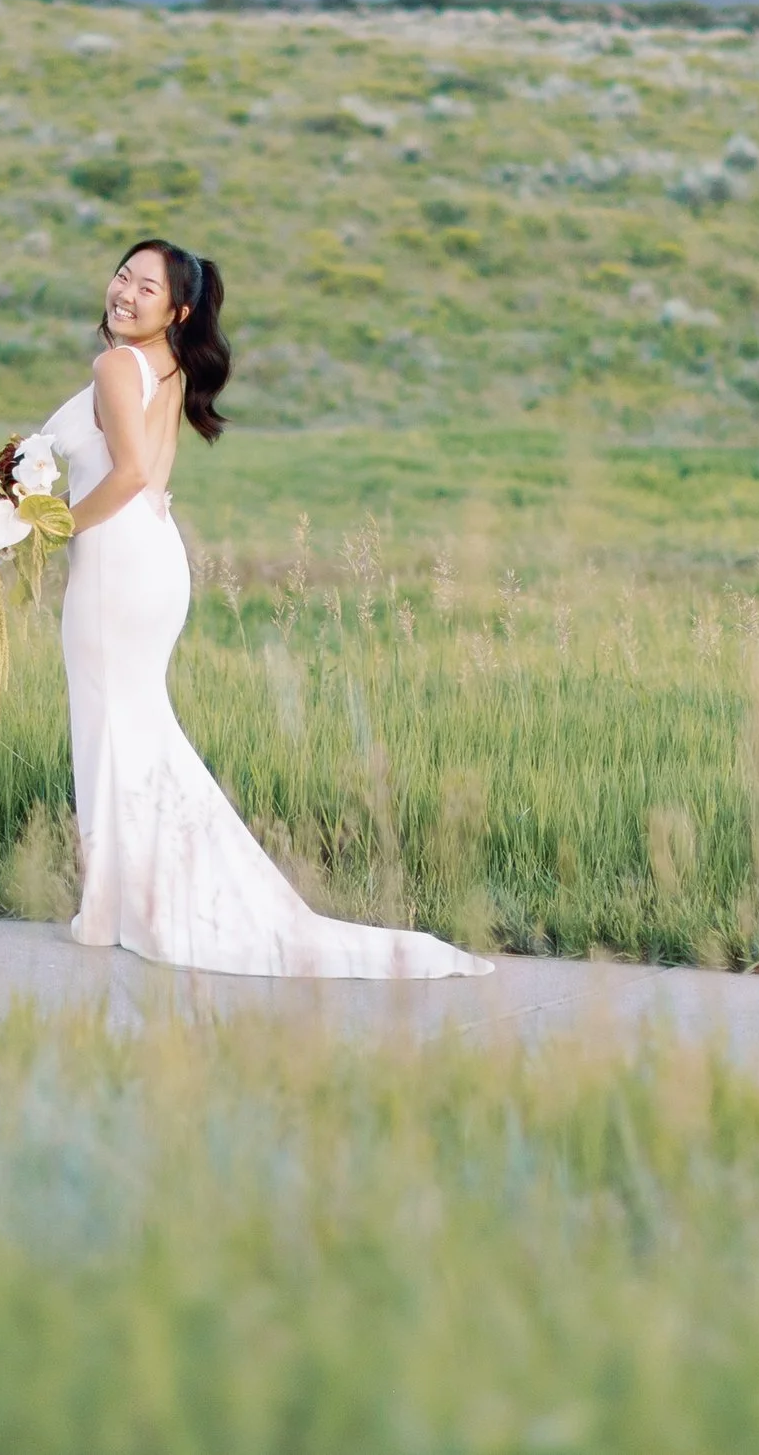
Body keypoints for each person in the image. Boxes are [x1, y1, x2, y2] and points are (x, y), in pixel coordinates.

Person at [38, 239, 493, 978]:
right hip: (153, 558)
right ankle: (118, 900)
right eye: (123, 274)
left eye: (145, 287)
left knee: (108, 724)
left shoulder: (116, 365)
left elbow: (124, 477)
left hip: (117, 565)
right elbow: (143, 478)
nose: (123, 291)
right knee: (132, 723)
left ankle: (116, 905)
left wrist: (49, 527)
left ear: (176, 309)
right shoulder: (169, 367)